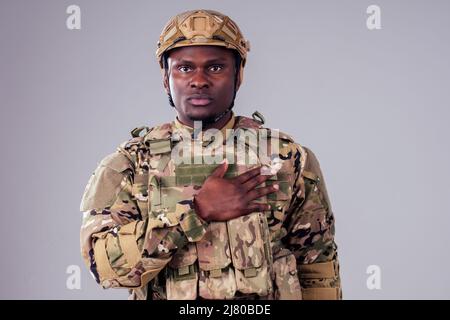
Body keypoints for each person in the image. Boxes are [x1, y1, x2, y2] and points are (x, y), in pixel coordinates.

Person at [79, 9, 341, 300]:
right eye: (184, 68)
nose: (199, 80)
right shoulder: (131, 165)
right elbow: (105, 268)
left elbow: (318, 267)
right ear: (166, 78)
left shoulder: (287, 159)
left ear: (239, 75)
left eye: (215, 67)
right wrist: (196, 212)